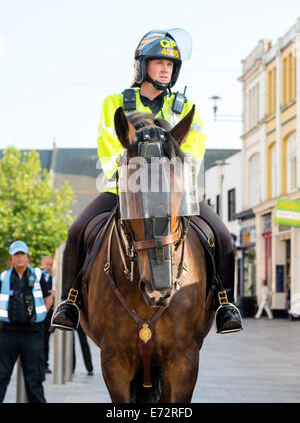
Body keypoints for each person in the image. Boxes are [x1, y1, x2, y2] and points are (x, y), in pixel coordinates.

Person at [52, 29, 242, 334]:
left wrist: (173, 179)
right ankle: (69, 301)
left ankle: (225, 303)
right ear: (142, 66)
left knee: (221, 235)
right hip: (127, 189)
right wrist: (135, 174)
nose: (166, 69)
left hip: (173, 192)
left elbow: (194, 145)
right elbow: (109, 142)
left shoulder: (185, 108)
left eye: (170, 65)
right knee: (76, 232)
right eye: (159, 63)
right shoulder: (114, 102)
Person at [0, 241, 53, 403]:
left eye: (22, 254)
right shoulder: (3, 277)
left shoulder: (38, 275)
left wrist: (41, 315)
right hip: (8, 333)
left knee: (34, 380)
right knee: (1, 376)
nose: (19, 257)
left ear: (27, 256)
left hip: (32, 332)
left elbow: (48, 298)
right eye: (16, 254)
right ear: (11, 258)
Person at [40, 256, 55, 373]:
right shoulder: (36, 276)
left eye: (50, 265)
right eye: (47, 264)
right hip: (38, 311)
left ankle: (45, 363)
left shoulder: (52, 279)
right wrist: (48, 292)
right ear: (42, 264)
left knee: (46, 339)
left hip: (48, 313)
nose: (49, 267)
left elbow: (53, 294)